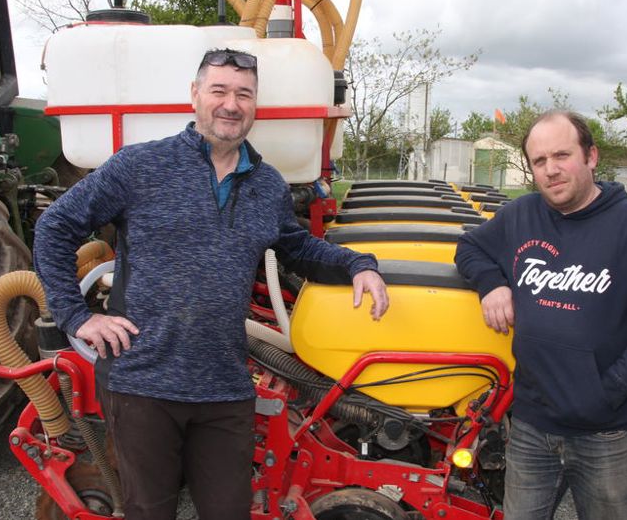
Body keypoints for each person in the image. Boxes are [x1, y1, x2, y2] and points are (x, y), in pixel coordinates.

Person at [33, 48, 389, 520]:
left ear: (255, 104)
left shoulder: (266, 186)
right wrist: (76, 317)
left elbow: (299, 249)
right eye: (219, 90)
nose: (231, 104)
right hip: (143, 384)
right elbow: (54, 227)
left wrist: (359, 265)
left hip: (224, 386)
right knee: (150, 512)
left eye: (244, 94)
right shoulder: (139, 167)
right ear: (195, 95)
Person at [454, 110, 627, 519]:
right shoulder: (521, 215)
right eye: (539, 161)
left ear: (591, 156)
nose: (551, 170)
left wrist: (609, 392)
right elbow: (469, 248)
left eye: (561, 155)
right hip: (531, 423)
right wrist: (492, 283)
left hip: (609, 429)